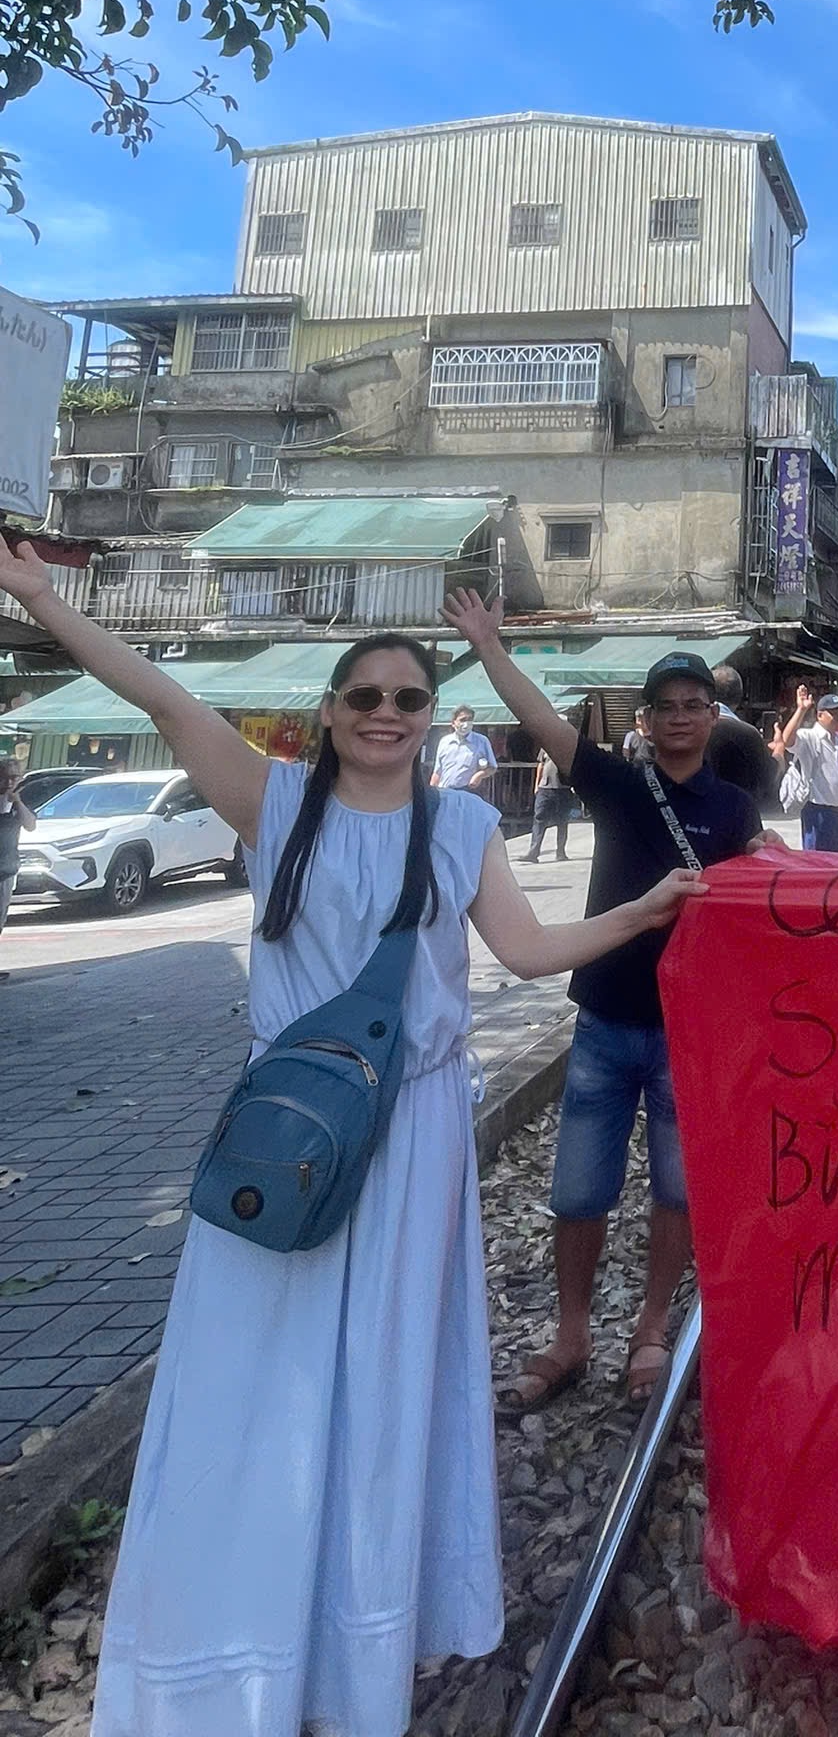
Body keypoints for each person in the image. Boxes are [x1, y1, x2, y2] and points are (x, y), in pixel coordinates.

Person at [0, 540, 700, 1737]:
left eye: (408, 698)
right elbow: (158, 692)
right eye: (365, 695)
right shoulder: (271, 801)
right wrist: (40, 598)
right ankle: (235, 1639)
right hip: (295, 1128)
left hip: (416, 1131)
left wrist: (640, 911)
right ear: (327, 711)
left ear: (431, 716)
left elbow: (527, 951)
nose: (387, 712)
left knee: (385, 1367)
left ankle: (354, 1631)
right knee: (257, 1370)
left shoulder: (463, 822)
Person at [443, 590, 762, 1412]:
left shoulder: (735, 810)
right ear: (645, 721)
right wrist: (488, 646)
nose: (681, 718)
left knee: (678, 1189)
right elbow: (542, 720)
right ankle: (571, 1334)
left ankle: (653, 1324)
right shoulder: (615, 784)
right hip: (606, 1022)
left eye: (694, 705)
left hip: (690, 1029)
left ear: (713, 716)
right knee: (579, 1190)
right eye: (666, 707)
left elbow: (775, 898)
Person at [775, 685, 838, 853]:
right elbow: (787, 740)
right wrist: (801, 709)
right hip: (817, 811)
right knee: (815, 860)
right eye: (832, 713)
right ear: (820, 715)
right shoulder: (809, 737)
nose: (837, 716)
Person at [706, 662, 782, 815]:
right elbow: (769, 777)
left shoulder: (692, 727)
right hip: (737, 818)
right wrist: (779, 748)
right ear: (740, 696)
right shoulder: (748, 734)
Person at [0, 754, 36, 982]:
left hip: (6, 870)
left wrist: (17, 802)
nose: (10, 783)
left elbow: (30, 825)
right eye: (5, 778)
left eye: (15, 778)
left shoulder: (16, 804)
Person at [431, 704, 496, 793]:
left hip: (468, 791)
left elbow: (492, 767)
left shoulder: (482, 741)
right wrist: (431, 792)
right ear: (453, 723)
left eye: (470, 719)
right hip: (445, 791)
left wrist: (478, 775)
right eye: (462, 720)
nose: (466, 723)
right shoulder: (444, 741)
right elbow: (437, 772)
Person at [525, 747, 574, 863]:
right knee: (539, 819)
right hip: (545, 788)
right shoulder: (545, 747)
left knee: (562, 821)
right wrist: (537, 785)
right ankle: (533, 852)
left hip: (563, 788)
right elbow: (541, 765)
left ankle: (560, 852)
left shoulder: (569, 746)